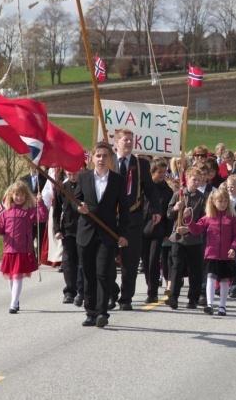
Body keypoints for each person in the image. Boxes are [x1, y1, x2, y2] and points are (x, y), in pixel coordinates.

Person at [74, 141, 130, 328]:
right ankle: (90, 312)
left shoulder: (118, 180)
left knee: (103, 273)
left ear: (110, 159)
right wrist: (79, 208)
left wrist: (122, 234)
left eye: (105, 156)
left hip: (107, 234)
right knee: (89, 274)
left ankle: (102, 312)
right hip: (86, 233)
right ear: (91, 158)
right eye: (98, 155)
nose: (101, 159)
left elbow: (124, 210)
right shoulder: (83, 178)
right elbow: (75, 200)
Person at [112, 129, 162, 311]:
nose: (129, 143)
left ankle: (126, 298)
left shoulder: (140, 164)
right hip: (111, 218)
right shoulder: (108, 162)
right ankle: (111, 293)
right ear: (116, 143)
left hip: (133, 218)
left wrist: (156, 209)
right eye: (125, 140)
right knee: (107, 259)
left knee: (130, 262)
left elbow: (150, 189)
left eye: (131, 140)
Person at [178, 188, 236, 316]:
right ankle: (209, 304)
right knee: (210, 278)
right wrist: (188, 219)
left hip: (226, 256)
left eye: (225, 201)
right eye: (220, 201)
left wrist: (233, 248)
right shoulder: (208, 217)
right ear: (213, 202)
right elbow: (196, 230)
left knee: (224, 281)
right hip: (211, 254)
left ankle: (222, 306)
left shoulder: (232, 217)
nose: (223, 203)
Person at [0, 180, 47, 314]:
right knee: (11, 277)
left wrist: (40, 203)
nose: (19, 198)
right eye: (16, 195)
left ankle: (12, 304)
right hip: (9, 249)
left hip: (22, 249)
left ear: (26, 196)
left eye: (22, 195)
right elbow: (1, 228)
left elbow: (42, 217)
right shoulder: (6, 213)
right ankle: (15, 301)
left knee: (17, 276)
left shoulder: (28, 211)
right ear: (11, 195)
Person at [166, 167, 206, 310]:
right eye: (193, 179)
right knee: (176, 267)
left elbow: (204, 221)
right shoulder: (179, 195)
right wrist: (176, 208)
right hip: (178, 238)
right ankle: (174, 297)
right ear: (187, 179)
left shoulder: (202, 198)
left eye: (199, 180)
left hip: (194, 239)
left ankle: (193, 299)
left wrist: (189, 229)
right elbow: (169, 214)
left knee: (195, 270)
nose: (196, 183)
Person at [141, 159, 173, 304]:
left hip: (158, 230)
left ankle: (152, 292)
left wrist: (167, 232)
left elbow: (168, 214)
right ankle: (150, 284)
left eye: (164, 172)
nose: (162, 175)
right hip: (142, 228)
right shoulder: (143, 188)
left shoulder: (167, 191)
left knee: (154, 260)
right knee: (146, 261)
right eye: (159, 172)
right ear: (152, 172)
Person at [53, 169, 84, 306]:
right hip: (68, 229)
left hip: (83, 229)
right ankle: (70, 291)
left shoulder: (85, 185)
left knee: (81, 262)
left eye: (75, 173)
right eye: (70, 174)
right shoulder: (61, 187)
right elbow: (57, 210)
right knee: (67, 261)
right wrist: (57, 229)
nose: (72, 176)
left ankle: (82, 290)